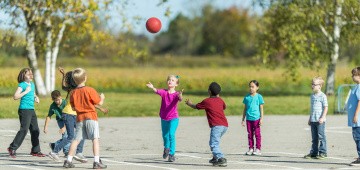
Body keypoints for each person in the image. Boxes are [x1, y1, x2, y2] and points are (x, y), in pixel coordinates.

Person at [63, 68, 107, 169]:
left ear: (74, 80)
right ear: (85, 78)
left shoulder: (73, 93)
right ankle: (96, 162)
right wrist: (102, 98)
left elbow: (73, 107)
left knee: (76, 139)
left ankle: (68, 160)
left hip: (79, 118)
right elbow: (99, 103)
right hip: (91, 116)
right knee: (95, 139)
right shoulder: (90, 90)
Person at [185, 82, 228, 167]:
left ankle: (221, 158)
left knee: (213, 143)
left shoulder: (207, 101)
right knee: (215, 142)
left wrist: (190, 103)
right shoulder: (220, 100)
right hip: (225, 126)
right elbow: (224, 107)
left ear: (209, 91)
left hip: (217, 126)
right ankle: (215, 158)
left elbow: (196, 106)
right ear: (218, 93)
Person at [7, 68, 46, 158]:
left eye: (31, 74)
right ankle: (12, 148)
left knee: (35, 130)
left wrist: (36, 97)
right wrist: (26, 91)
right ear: (23, 76)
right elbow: (15, 96)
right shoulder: (22, 85)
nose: (31, 75)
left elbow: (33, 93)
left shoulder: (32, 84)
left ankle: (35, 150)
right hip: (24, 110)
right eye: (28, 74)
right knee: (24, 129)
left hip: (31, 110)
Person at [146, 75, 183, 162]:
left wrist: (181, 95)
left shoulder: (177, 94)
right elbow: (157, 91)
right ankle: (166, 148)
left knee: (171, 134)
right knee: (165, 135)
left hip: (174, 118)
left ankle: (171, 154)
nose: (170, 81)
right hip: (164, 118)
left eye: (173, 80)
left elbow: (180, 99)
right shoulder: (164, 92)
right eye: (169, 80)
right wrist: (152, 87)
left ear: (176, 84)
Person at [304, 77, 328, 159]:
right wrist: (310, 118)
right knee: (314, 138)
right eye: (312, 84)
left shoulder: (323, 96)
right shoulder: (312, 96)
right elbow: (312, 109)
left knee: (321, 136)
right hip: (313, 120)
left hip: (320, 120)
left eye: (314, 84)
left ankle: (323, 152)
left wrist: (323, 117)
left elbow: (325, 107)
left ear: (320, 86)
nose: (312, 86)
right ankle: (314, 152)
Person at [43, 90, 70, 162]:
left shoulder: (65, 103)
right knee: (66, 135)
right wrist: (45, 127)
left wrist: (65, 126)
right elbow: (49, 116)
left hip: (68, 119)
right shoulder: (53, 106)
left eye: (58, 100)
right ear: (53, 100)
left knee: (70, 135)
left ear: (61, 97)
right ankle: (66, 151)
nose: (57, 102)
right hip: (60, 120)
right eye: (55, 100)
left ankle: (54, 145)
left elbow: (69, 116)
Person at [242, 80, 264, 156]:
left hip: (256, 119)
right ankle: (251, 148)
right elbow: (245, 109)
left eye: (253, 87)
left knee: (257, 134)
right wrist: (243, 119)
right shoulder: (246, 97)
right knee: (250, 134)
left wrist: (261, 118)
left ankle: (258, 149)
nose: (251, 88)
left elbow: (261, 108)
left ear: (257, 87)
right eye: (250, 87)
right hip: (248, 119)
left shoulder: (259, 97)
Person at [348, 67, 360, 166]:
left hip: (358, 120)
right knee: (357, 137)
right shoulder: (356, 86)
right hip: (356, 120)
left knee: (358, 138)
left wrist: (356, 114)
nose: (352, 77)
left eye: (354, 75)